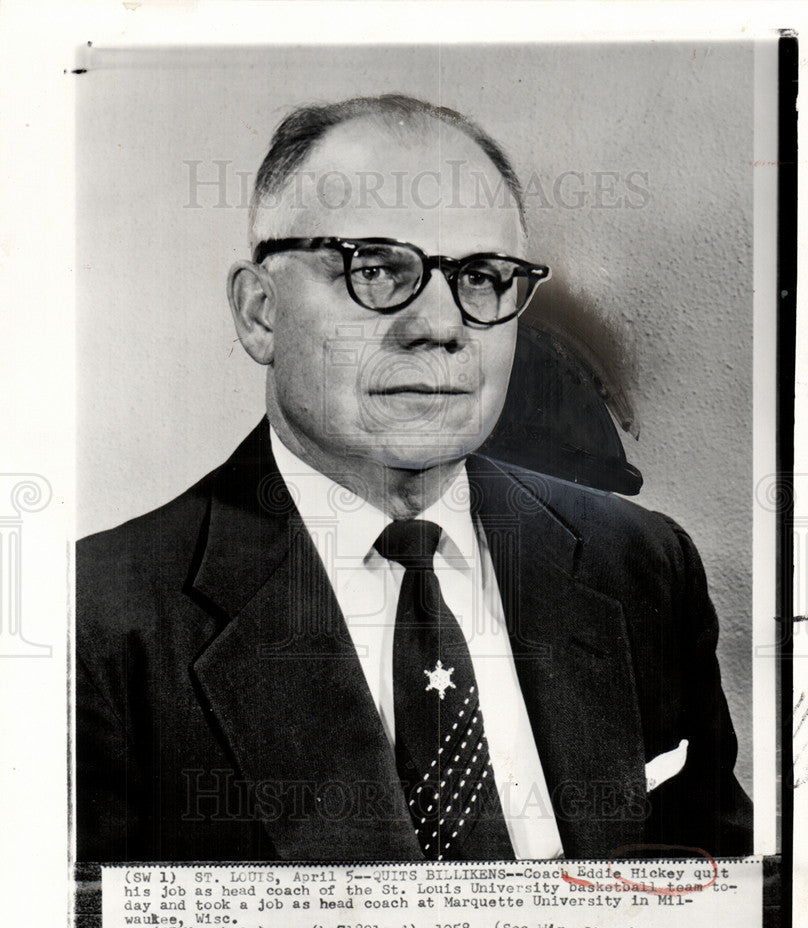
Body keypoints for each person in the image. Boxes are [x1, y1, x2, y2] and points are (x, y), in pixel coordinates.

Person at [76, 94, 752, 862]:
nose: (439, 325)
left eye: (483, 277)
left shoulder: (641, 564)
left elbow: (721, 919)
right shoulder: (99, 622)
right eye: (377, 269)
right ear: (259, 312)